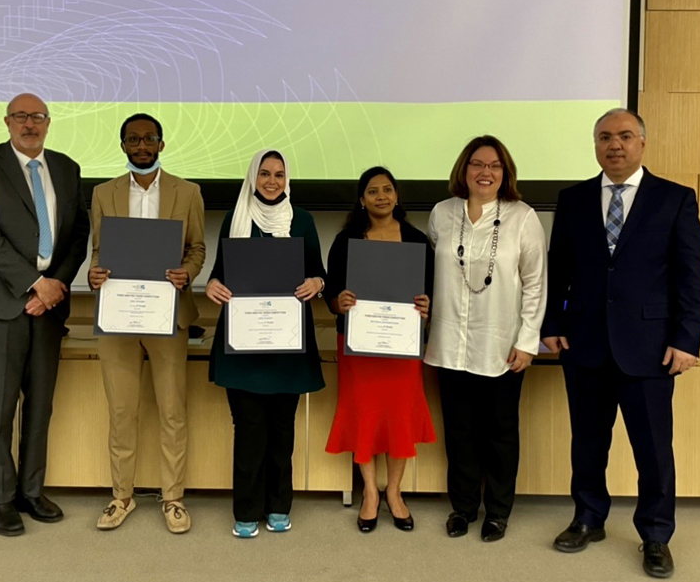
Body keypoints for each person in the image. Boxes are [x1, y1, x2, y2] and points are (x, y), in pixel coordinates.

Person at [542, 108, 700, 579]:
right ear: (595, 145)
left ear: (642, 143)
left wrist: (686, 339)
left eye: (624, 136)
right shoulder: (572, 200)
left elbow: (692, 276)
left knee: (653, 447)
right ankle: (588, 518)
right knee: (588, 442)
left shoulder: (674, 199)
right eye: (604, 137)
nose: (614, 145)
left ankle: (656, 534)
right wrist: (553, 322)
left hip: (651, 346)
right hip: (585, 343)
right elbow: (561, 270)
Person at [0, 93, 90, 537]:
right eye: (21, 116)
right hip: (2, 303)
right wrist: (33, 284)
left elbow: (79, 233)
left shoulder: (67, 168)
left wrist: (54, 285)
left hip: (50, 304)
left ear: (49, 123)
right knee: (0, 404)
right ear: (7, 122)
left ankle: (30, 491)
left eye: (37, 117)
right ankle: (0, 498)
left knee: (41, 403)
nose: (29, 124)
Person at [87, 113, 206, 533]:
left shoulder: (187, 192)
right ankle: (122, 497)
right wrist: (93, 274)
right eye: (133, 139)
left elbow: (197, 249)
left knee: (173, 410)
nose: (141, 145)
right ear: (122, 146)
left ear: (161, 143)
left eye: (149, 138)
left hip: (168, 315)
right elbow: (99, 251)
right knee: (122, 411)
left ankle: (173, 498)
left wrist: (187, 273)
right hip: (117, 316)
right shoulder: (103, 194)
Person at [425, 136, 547, 542]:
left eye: (494, 166)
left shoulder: (523, 217)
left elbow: (535, 284)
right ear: (464, 169)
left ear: (505, 172)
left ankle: (497, 511)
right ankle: (462, 508)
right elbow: (429, 272)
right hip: (448, 343)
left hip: (502, 346)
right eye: (477, 164)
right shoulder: (442, 214)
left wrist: (529, 341)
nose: (485, 172)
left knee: (499, 433)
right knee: (458, 432)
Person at [205, 149, 326, 538]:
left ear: (287, 179)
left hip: (287, 344)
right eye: (264, 174)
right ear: (252, 177)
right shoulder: (234, 218)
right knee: (249, 429)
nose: (272, 180)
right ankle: (246, 509)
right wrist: (211, 285)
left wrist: (316, 284)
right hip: (244, 344)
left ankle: (278, 505)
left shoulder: (302, 220)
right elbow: (219, 276)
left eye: (278, 174)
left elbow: (318, 274)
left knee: (281, 430)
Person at [324, 166, 435, 532]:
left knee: (400, 415)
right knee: (366, 414)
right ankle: (371, 492)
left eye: (388, 189)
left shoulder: (418, 241)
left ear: (397, 196)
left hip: (402, 346)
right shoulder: (346, 241)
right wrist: (338, 301)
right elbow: (332, 293)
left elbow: (433, 292)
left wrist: (426, 305)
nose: (382, 196)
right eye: (373, 191)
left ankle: (395, 492)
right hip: (360, 347)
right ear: (362, 199)